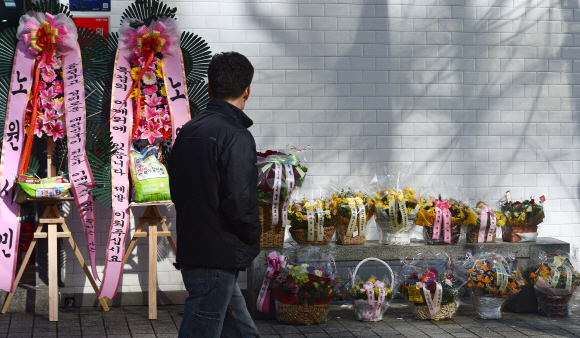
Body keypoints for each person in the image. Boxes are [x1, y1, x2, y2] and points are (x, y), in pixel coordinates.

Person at [168, 52, 262, 338]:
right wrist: (252, 238)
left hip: (196, 248)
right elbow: (240, 202)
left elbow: (177, 190)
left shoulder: (187, 131)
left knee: (242, 331)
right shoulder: (236, 135)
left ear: (209, 89)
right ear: (247, 90)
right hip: (219, 253)